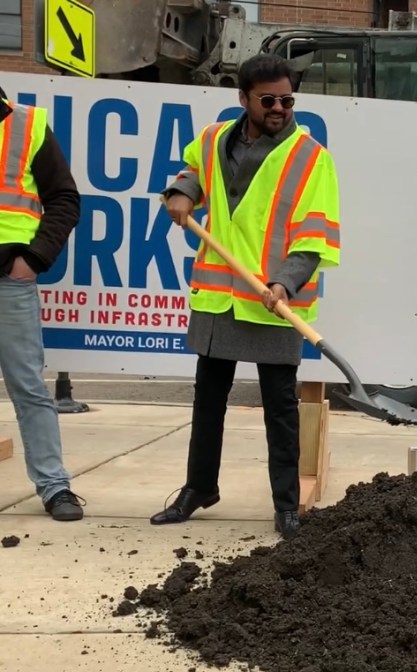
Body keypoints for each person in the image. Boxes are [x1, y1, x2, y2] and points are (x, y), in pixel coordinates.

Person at [152, 53, 342, 539]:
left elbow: (314, 236)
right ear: (243, 99)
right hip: (218, 297)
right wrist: (182, 191)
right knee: (208, 399)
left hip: (272, 300)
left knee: (281, 407)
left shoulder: (310, 157)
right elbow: (192, 169)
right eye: (268, 100)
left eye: (286, 99)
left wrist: (284, 282)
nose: (279, 107)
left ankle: (285, 505)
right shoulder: (216, 138)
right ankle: (199, 487)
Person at [0, 88, 83, 521]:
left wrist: (33, 259)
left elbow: (65, 200)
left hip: (9, 281)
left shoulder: (27, 126)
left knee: (29, 388)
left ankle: (55, 486)